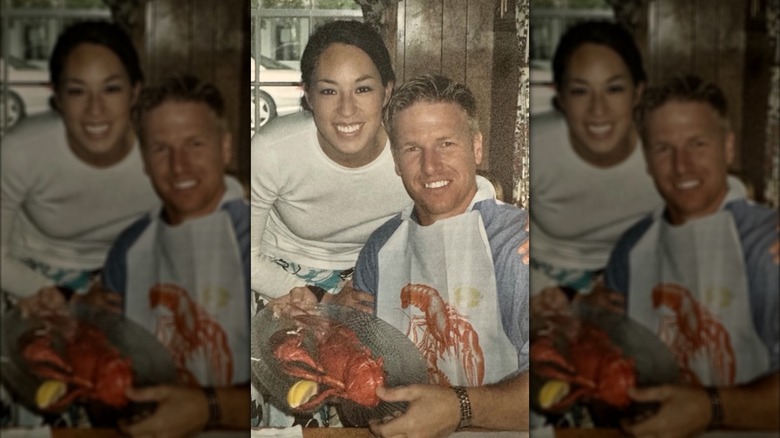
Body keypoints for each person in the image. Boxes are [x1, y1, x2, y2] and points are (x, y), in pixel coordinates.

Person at [352, 74, 529, 436]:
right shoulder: (379, 248)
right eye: (412, 148)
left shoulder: (520, 246)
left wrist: (459, 407)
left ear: (476, 147)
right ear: (396, 161)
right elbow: (362, 377)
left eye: (446, 144)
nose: (430, 166)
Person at [604, 74, 779, 436]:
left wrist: (710, 407)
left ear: (728, 148)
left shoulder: (770, 244)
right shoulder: (631, 249)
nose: (682, 166)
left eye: (698, 144)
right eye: (664, 148)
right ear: (647, 160)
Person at [98, 74, 250, 437]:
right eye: (161, 148)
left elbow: (287, 394)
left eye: (195, 144)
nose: (178, 166)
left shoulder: (258, 236)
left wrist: (208, 408)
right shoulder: (128, 249)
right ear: (145, 161)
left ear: (225, 147)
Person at [250, 20, 411, 313]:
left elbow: (466, 187)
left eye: (362, 89)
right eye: (328, 91)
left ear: (387, 92)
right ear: (308, 96)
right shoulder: (272, 150)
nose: (347, 110)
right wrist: (325, 299)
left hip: (374, 277)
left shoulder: (410, 149)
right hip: (282, 277)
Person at [1, 20, 157, 302]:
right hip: (36, 280)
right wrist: (70, 298)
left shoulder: (164, 151)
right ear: (57, 97)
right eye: (77, 91)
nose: (95, 110)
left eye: (111, 89)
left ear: (134, 91)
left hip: (131, 280)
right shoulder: (21, 150)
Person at [529, 21, 663, 306]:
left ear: (638, 92)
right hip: (542, 287)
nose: (598, 110)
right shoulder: (533, 145)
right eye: (580, 91)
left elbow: (723, 195)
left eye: (614, 89)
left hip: (637, 286)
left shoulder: (665, 148)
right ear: (561, 96)